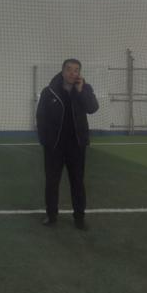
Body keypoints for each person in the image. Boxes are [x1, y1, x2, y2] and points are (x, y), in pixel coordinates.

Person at [36, 59, 100, 230]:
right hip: (54, 146)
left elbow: (93, 108)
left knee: (77, 182)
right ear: (63, 71)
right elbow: (41, 117)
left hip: (76, 145)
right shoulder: (49, 91)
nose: (73, 73)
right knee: (52, 182)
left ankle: (79, 218)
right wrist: (45, 140)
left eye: (76, 70)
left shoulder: (85, 88)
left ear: (79, 73)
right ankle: (51, 215)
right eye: (69, 69)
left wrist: (81, 92)